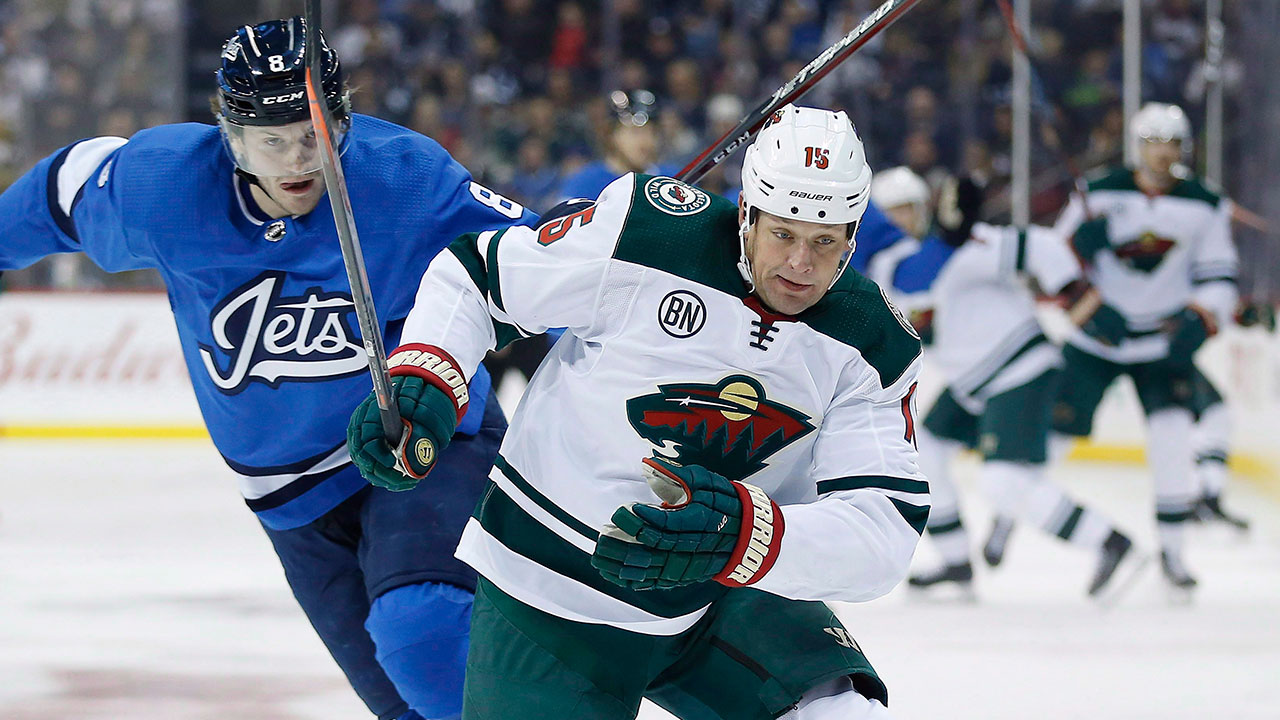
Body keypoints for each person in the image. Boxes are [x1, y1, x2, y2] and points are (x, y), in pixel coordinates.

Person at [0, 17, 537, 720]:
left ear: (341, 120)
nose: (297, 160)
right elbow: (58, 196)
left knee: (425, 636)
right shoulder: (164, 187)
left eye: (313, 134)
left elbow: (537, 264)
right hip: (289, 500)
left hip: (422, 441)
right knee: (404, 709)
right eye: (272, 141)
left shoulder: (404, 179)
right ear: (231, 137)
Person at [348, 104, 927, 719]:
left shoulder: (872, 340)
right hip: (552, 590)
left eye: (824, 242)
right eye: (783, 234)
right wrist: (428, 375)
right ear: (748, 215)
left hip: (720, 588)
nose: (800, 265)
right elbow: (476, 276)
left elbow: (882, 528)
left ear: (852, 237)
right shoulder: (647, 233)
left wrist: (746, 537)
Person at [1047, 102, 1238, 593]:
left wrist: (1200, 316)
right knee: (1053, 436)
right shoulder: (1098, 192)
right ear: (1137, 146)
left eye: (1171, 143)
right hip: (1097, 339)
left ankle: (1173, 555)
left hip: (1160, 344)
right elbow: (1050, 260)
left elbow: (1220, 275)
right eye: (1154, 143)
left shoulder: (1205, 203)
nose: (1163, 153)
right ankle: (1012, 513)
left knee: (1172, 442)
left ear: (1184, 148)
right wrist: (1078, 252)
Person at [553, 89, 670, 202]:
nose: (646, 141)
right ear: (611, 135)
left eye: (653, 132)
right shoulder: (584, 184)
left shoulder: (669, 181)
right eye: (635, 132)